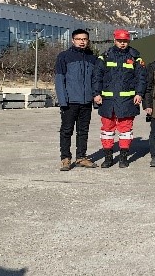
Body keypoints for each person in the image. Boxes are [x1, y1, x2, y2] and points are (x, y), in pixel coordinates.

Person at [93, 29, 147, 168]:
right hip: (108, 101)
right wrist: (96, 93)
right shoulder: (104, 56)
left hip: (127, 101)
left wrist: (139, 94)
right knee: (107, 130)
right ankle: (108, 158)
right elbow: (97, 76)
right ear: (114, 40)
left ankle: (123, 158)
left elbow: (141, 78)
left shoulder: (136, 57)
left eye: (125, 41)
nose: (122, 43)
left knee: (125, 130)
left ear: (129, 41)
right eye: (119, 41)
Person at [54, 29, 98, 171]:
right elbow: (59, 79)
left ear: (88, 41)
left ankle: (81, 157)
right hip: (70, 101)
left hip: (86, 102)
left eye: (84, 39)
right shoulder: (64, 56)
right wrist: (63, 100)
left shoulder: (92, 58)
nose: (82, 41)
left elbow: (95, 80)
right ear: (73, 40)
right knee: (66, 130)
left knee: (83, 131)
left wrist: (94, 98)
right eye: (78, 39)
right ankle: (65, 158)